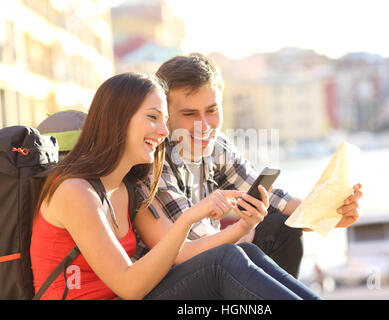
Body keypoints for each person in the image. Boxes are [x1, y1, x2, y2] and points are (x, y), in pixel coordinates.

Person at [30, 72, 322, 300]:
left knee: (246, 253)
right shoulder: (74, 190)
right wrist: (189, 217)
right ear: (118, 120)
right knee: (221, 262)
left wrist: (240, 229)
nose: (164, 131)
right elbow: (130, 285)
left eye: (165, 120)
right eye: (153, 118)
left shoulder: (128, 187)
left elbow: (176, 254)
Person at [133, 53, 363, 278]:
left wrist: (332, 214)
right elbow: (195, 245)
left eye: (212, 111)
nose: (204, 125)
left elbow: (274, 200)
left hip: (213, 263)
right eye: (190, 114)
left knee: (278, 227)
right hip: (170, 283)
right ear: (165, 116)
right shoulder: (156, 161)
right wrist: (244, 233)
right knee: (243, 250)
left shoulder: (216, 147)